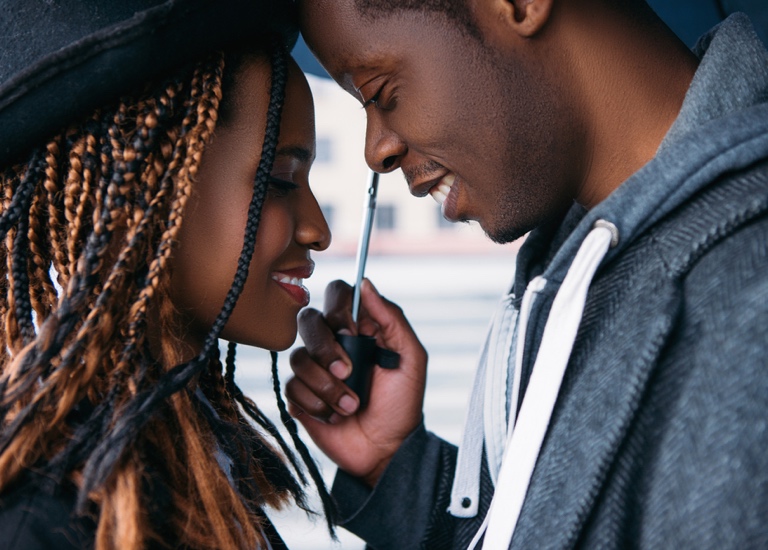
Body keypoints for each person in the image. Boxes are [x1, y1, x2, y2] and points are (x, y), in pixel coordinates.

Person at [286, 0, 768, 548]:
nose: (377, 151)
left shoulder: (750, 309)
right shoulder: (583, 266)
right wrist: (400, 472)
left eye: (382, 93)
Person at [0, 1, 335, 548]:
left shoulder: (193, 455)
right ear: (145, 196)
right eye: (280, 179)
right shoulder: (38, 515)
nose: (318, 229)